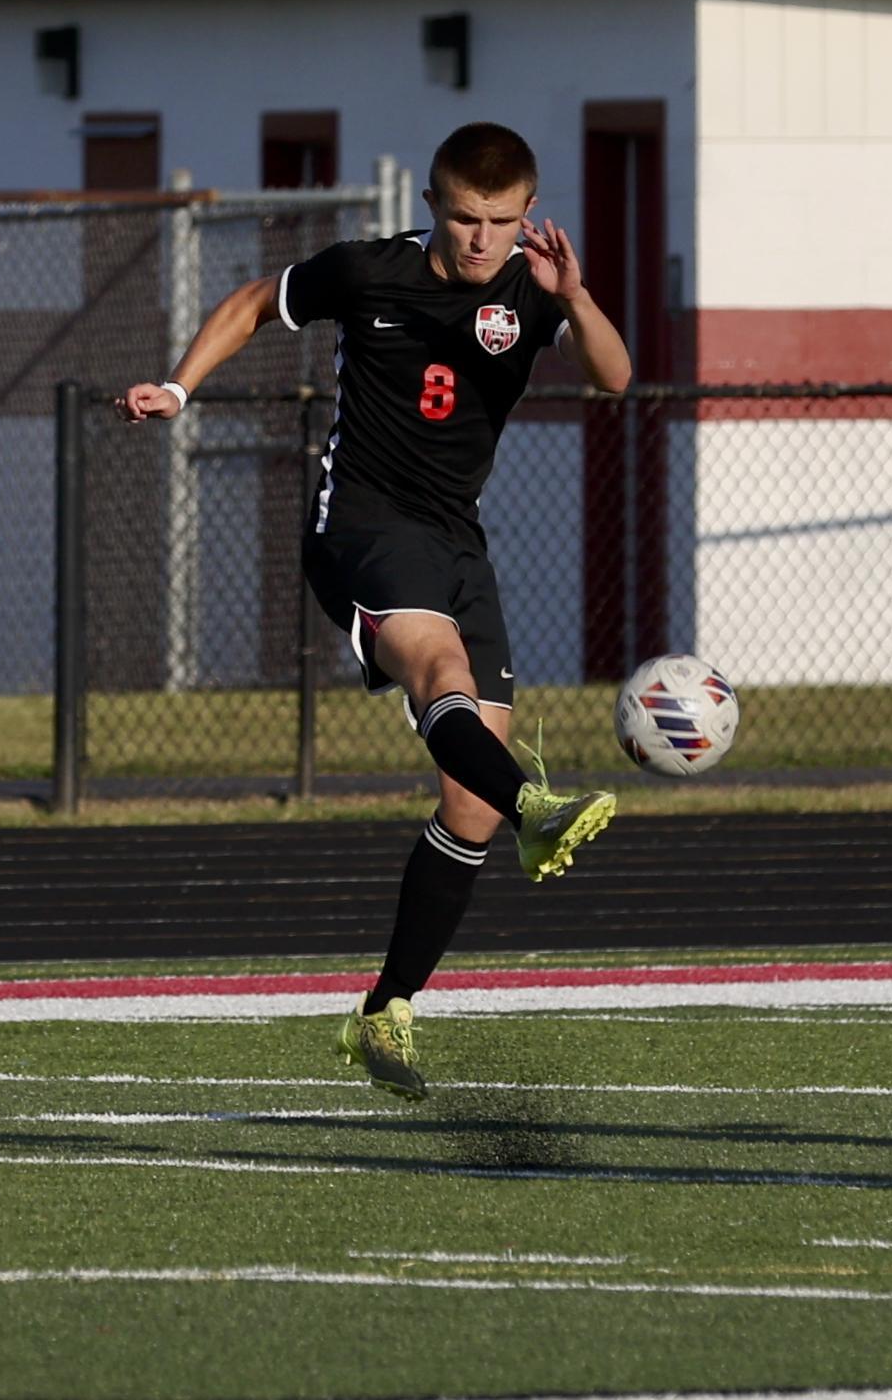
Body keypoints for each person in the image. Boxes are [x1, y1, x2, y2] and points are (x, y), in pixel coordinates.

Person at [118, 122, 631, 1102]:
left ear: (527, 216)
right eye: (466, 218)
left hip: (455, 538)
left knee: (465, 798)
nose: (482, 239)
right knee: (441, 673)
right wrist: (181, 388)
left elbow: (613, 376)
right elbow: (249, 303)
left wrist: (576, 297)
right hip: (359, 523)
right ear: (434, 204)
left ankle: (383, 1009)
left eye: (502, 222)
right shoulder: (369, 271)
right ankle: (537, 807)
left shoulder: (534, 286)